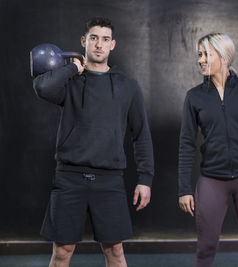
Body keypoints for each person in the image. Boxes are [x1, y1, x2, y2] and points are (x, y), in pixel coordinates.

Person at [33, 17, 154, 267]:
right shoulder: (70, 81)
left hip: (109, 181)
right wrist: (73, 68)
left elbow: (141, 134)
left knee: (115, 252)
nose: (99, 44)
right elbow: (42, 88)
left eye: (105, 39)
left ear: (113, 45)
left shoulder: (127, 86)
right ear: (84, 41)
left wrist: (145, 179)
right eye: (94, 38)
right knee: (62, 252)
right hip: (69, 178)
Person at [178, 33, 238, 267]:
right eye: (199, 54)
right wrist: (183, 189)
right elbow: (187, 143)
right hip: (212, 181)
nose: (201, 59)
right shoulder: (194, 97)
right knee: (206, 250)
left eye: (207, 54)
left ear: (224, 56)